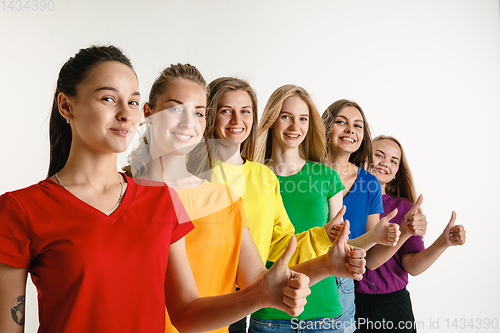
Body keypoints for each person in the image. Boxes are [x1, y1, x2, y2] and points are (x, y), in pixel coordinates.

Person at [0, 46, 311, 333]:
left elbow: (187, 313)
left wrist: (260, 296)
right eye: (108, 99)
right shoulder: (20, 209)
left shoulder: (161, 201)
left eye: (132, 101)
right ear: (66, 105)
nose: (125, 113)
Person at [187, 78, 368, 332]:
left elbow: (281, 246)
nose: (237, 120)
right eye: (226, 111)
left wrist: (321, 238)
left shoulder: (263, 177)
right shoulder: (191, 174)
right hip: (194, 298)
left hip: (243, 304)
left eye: (245, 112)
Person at [250, 84, 345, 331]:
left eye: (302, 119)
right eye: (286, 117)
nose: (295, 126)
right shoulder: (252, 177)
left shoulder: (327, 177)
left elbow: (338, 248)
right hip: (269, 312)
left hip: (324, 313)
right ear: (272, 120)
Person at [353, 135, 466, 332]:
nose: (384, 163)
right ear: (363, 158)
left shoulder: (404, 208)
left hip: (393, 308)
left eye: (393, 161)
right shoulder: (343, 199)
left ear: (397, 172)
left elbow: (412, 267)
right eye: (378, 155)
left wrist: (443, 242)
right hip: (350, 304)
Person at [321, 100, 410, 332]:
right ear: (325, 127)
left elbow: (368, 258)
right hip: (305, 276)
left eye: (358, 125)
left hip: (344, 287)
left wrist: (381, 236)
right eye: (341, 122)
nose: (350, 130)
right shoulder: (305, 172)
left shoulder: (369, 184)